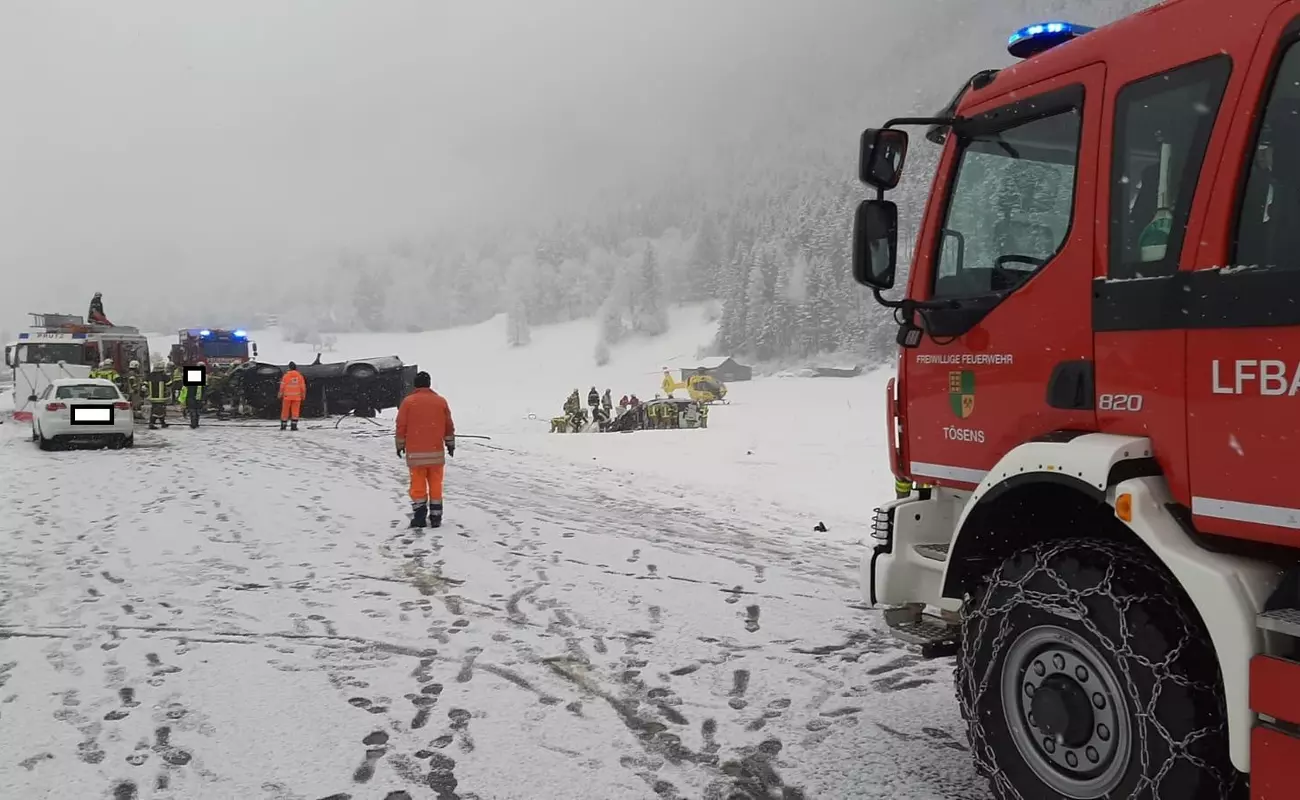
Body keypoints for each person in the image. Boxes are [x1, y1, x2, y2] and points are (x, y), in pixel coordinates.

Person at [395, 371, 455, 529]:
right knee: (436, 484)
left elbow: (401, 426)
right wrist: (450, 444)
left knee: (418, 484)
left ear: (415, 384)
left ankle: (420, 516)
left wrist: (400, 445)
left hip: (415, 454)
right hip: (436, 453)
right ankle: (436, 517)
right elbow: (449, 425)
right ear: (429, 384)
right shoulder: (440, 401)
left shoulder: (408, 402)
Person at [278, 361, 306, 431]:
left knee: (285, 411)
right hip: (297, 397)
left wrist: (280, 394)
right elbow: (303, 388)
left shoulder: (286, 376)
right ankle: (294, 426)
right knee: (295, 412)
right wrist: (303, 396)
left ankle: (283, 426)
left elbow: (282, 386)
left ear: (289, 368)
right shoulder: (300, 376)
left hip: (287, 397)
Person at [146, 358, 171, 429]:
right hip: (161, 397)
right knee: (158, 411)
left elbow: (145, 384)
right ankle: (151, 423)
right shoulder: (164, 376)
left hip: (152, 397)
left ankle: (163, 423)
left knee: (157, 409)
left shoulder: (150, 375)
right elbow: (170, 384)